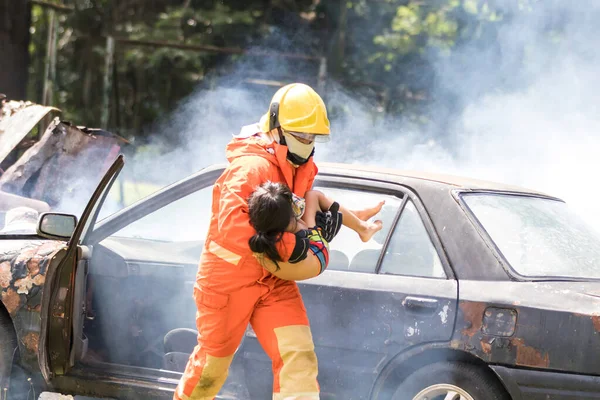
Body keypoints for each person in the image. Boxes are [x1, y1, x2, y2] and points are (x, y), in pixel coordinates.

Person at [175, 83, 343, 400]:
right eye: (302, 135)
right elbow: (231, 227)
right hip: (229, 280)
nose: (308, 143)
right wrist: (293, 246)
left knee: (298, 355)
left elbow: (293, 213)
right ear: (277, 130)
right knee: (211, 369)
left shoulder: (298, 167)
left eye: (313, 137)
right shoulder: (250, 167)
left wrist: (316, 223)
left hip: (273, 278)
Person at [247, 181, 384, 281]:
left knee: (312, 207)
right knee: (313, 196)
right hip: (319, 255)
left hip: (307, 264)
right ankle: (362, 227)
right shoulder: (295, 230)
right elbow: (304, 225)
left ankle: (354, 216)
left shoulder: (263, 238)